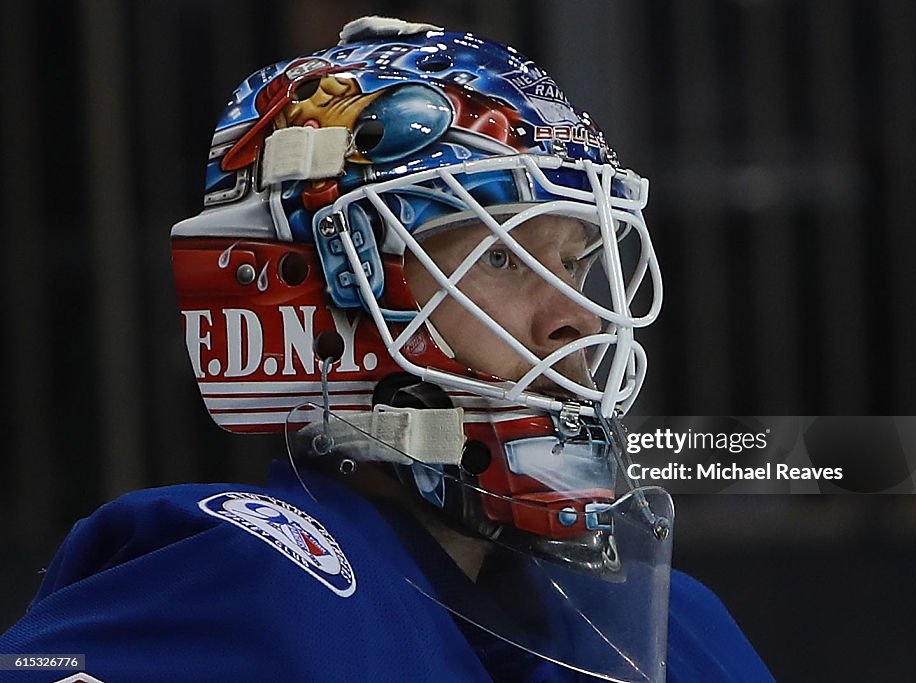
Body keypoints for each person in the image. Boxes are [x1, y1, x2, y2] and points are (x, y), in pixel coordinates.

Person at [0, 16, 772, 682]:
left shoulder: (678, 627)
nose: (577, 318)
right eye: (501, 257)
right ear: (326, 290)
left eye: (574, 261)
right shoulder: (258, 581)